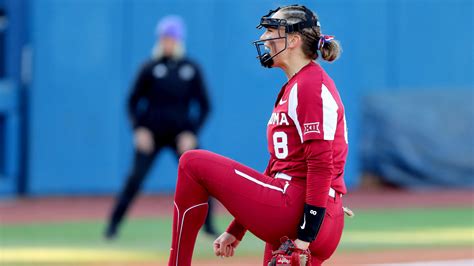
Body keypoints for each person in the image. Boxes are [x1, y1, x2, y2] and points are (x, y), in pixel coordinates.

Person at [168, 4, 350, 266]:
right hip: (307, 212)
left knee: (191, 163)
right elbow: (279, 166)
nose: (264, 38)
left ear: (294, 40)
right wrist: (236, 229)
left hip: (300, 210)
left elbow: (321, 164)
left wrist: (305, 237)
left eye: (271, 31)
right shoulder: (298, 84)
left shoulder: (310, 85)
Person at [105, 15, 217, 239]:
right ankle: (112, 226)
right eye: (164, 38)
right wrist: (139, 129)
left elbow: (205, 105)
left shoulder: (191, 69)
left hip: (181, 135)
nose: (167, 43)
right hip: (152, 135)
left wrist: (192, 133)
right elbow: (132, 101)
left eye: (172, 38)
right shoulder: (149, 67)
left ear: (179, 41)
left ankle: (209, 226)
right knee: (135, 179)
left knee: (202, 176)